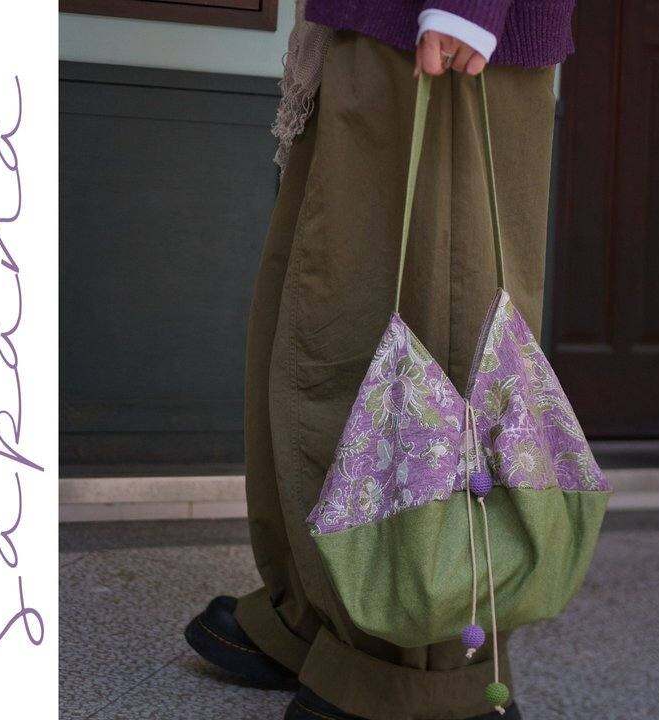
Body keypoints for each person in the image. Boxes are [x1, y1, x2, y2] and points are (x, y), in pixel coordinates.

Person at [185, 2, 573, 718]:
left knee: (429, 349)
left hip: (447, 37)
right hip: (374, 23)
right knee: (330, 324)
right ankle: (321, 617)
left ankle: (420, 673)